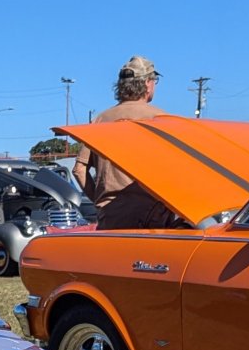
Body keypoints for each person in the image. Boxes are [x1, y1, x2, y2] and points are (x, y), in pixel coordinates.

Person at [72, 55, 175, 230]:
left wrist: (100, 201)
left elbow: (79, 170)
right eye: (155, 81)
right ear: (148, 84)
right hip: (153, 216)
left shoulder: (100, 120)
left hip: (111, 217)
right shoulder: (163, 120)